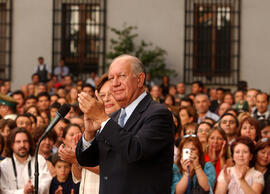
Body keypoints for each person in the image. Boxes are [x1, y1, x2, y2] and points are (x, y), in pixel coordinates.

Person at [76, 54, 174, 194]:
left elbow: (135, 151)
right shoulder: (113, 118)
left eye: (121, 76)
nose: (114, 83)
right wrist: (89, 133)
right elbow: (87, 160)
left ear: (140, 79)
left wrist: (103, 119)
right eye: (111, 78)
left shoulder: (158, 114)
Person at [0, 127, 51, 194]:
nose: (22, 145)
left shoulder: (39, 160)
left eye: (25, 141)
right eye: (18, 142)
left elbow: (46, 183)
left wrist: (33, 188)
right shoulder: (4, 165)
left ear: (30, 143)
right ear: (12, 145)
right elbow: (4, 191)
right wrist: (23, 192)